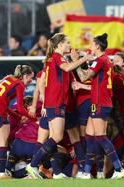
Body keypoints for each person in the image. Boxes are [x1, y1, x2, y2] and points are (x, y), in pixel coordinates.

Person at [26, 33, 90, 179]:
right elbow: (66, 69)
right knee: (57, 136)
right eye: (67, 42)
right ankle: (34, 164)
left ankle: (36, 165)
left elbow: (71, 79)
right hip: (55, 102)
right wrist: (84, 59)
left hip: (60, 104)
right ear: (59, 44)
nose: (69, 45)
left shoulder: (55, 59)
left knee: (62, 136)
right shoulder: (57, 57)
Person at [75, 33, 124, 179]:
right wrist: (83, 56)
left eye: (92, 44)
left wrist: (77, 61)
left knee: (101, 136)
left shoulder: (101, 60)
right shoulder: (105, 61)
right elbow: (96, 81)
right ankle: (86, 172)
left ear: (97, 46)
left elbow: (85, 76)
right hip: (98, 101)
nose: (90, 47)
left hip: (100, 103)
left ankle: (119, 168)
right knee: (90, 136)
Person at [0, 65, 34, 179]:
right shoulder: (19, 84)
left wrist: (17, 116)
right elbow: (20, 108)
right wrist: (33, 118)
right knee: (3, 143)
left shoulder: (7, 79)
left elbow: (5, 105)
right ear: (25, 75)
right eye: (31, 77)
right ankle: (1, 173)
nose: (31, 81)